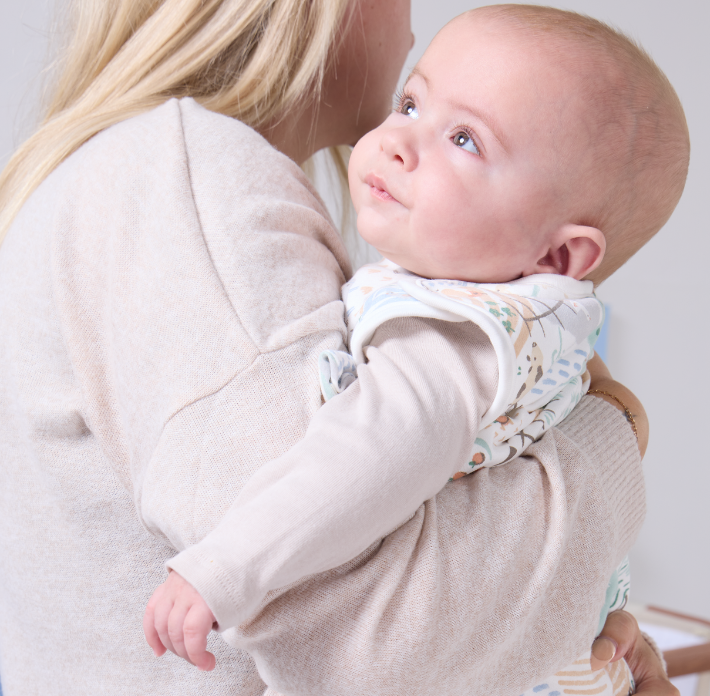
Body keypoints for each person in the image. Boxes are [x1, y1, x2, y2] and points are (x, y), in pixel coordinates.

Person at [0, 0, 674, 694]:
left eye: (466, 139)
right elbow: (372, 655)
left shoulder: (458, 318)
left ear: (560, 254)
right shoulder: (189, 187)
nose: (404, 137)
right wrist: (612, 433)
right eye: (412, 103)